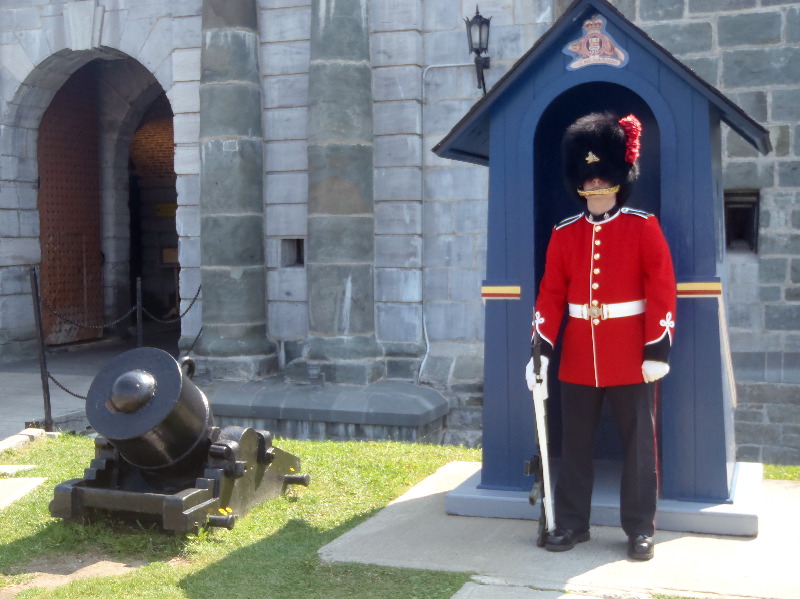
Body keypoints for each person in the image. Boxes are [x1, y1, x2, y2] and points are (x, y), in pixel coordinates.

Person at [525, 112, 676, 561]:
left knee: (638, 448)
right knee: (574, 446)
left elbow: (661, 287)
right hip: (576, 360)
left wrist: (657, 348)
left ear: (617, 181)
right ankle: (571, 523)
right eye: (588, 184)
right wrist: (542, 350)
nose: (594, 191)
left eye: (602, 183)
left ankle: (639, 528)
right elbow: (551, 296)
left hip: (631, 355)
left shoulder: (641, 225)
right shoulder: (564, 233)